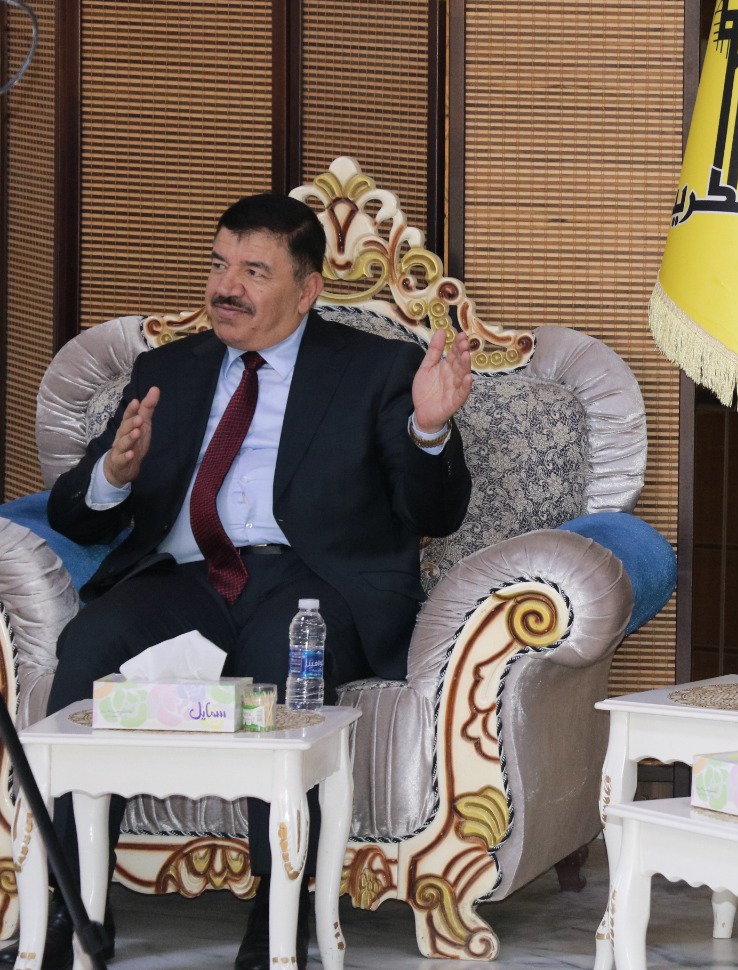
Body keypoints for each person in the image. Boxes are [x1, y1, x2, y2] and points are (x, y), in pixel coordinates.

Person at [6, 194, 474, 970]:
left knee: (282, 666)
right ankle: (74, 904)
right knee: (90, 642)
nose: (227, 287)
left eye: (254, 271)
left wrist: (429, 429)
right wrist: (113, 474)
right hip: (187, 577)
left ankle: (278, 912)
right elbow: (75, 516)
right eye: (219, 265)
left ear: (307, 288)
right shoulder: (167, 370)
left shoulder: (376, 369)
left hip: (312, 579)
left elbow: (436, 513)